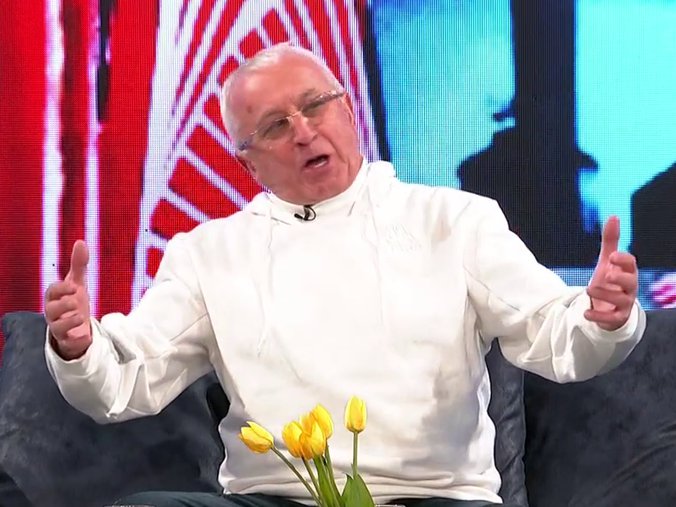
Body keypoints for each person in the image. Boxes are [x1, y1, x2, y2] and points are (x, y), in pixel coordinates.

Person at [44, 44, 645, 507]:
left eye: (315, 106)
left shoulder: (454, 220)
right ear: (248, 163)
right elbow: (125, 379)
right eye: (275, 126)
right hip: (275, 499)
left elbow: (553, 333)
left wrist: (601, 317)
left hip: (434, 497)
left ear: (347, 107)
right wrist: (79, 346)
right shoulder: (210, 253)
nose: (304, 131)